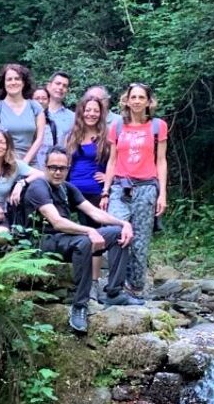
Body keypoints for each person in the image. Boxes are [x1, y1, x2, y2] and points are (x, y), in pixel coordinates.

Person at [26, 147, 142, 332]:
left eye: (62, 168)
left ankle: (114, 292)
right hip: (44, 240)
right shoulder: (38, 187)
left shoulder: (67, 188)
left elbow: (94, 212)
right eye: (53, 167)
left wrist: (123, 224)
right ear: (45, 167)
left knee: (118, 232)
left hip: (65, 237)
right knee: (85, 242)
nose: (57, 172)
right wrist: (89, 231)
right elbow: (57, 222)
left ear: (68, 168)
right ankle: (79, 305)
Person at [101, 83, 168, 297]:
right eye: (134, 97)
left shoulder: (158, 126)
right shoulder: (118, 126)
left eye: (141, 97)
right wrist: (105, 191)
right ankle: (115, 285)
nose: (137, 101)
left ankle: (136, 287)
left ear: (149, 102)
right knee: (117, 233)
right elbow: (112, 161)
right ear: (127, 100)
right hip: (120, 186)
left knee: (139, 241)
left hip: (147, 187)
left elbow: (161, 161)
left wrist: (162, 194)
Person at [65, 95, 111, 295]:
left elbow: (113, 163)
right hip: (72, 189)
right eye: (88, 110)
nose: (91, 114)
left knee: (96, 235)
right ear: (81, 112)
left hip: (94, 191)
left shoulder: (105, 137)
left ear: (101, 114)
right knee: (70, 232)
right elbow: (65, 164)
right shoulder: (72, 136)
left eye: (95, 110)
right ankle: (74, 279)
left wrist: (107, 181)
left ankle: (94, 282)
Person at [0, 63, 45, 163]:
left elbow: (39, 139)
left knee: (41, 179)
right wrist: (11, 163)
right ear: (3, 83)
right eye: (9, 79)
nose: (13, 82)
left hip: (30, 162)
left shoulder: (35, 107)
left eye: (17, 79)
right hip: (3, 162)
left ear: (24, 82)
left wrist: (24, 163)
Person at [37, 71, 74, 166]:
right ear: (49, 86)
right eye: (58, 83)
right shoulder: (35, 112)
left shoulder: (72, 117)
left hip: (57, 170)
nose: (61, 87)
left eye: (65, 86)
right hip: (33, 167)